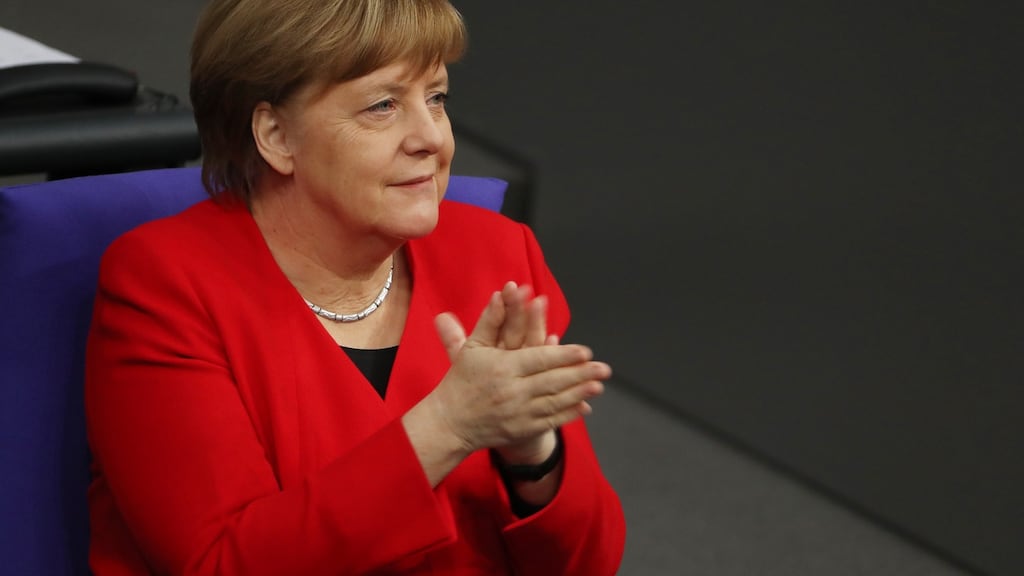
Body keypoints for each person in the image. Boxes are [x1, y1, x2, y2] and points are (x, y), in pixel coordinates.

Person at [84, 0, 626, 574]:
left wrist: (533, 458)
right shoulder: (165, 285)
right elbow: (221, 564)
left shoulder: (496, 254)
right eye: (383, 106)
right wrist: (448, 427)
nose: (431, 138)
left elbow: (587, 563)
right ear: (275, 135)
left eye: (436, 98)